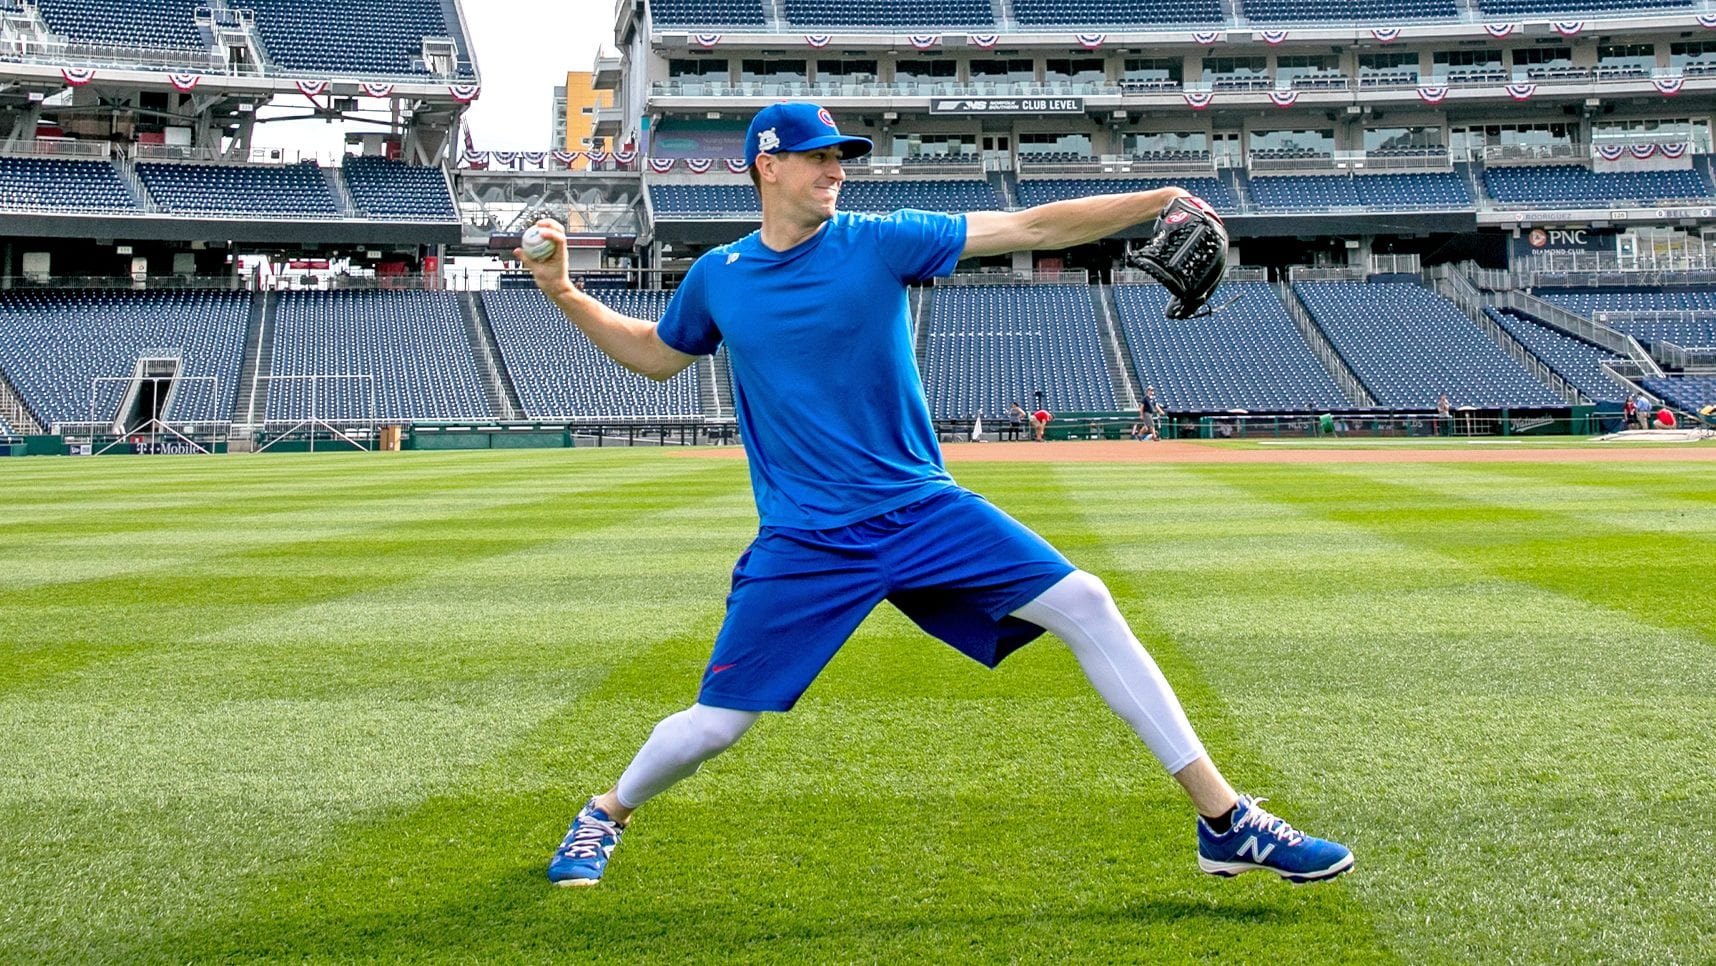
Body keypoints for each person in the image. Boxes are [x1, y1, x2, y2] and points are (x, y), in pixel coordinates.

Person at [517, 102, 1352, 889]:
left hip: (924, 511)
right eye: (818, 159)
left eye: (841, 159)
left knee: (1087, 602)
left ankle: (1226, 819)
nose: (836, 171)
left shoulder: (880, 241)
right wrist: (562, 293)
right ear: (765, 165)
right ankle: (605, 812)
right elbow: (660, 354)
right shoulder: (718, 276)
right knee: (715, 724)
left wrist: (1158, 199)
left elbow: (1026, 225)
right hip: (809, 538)